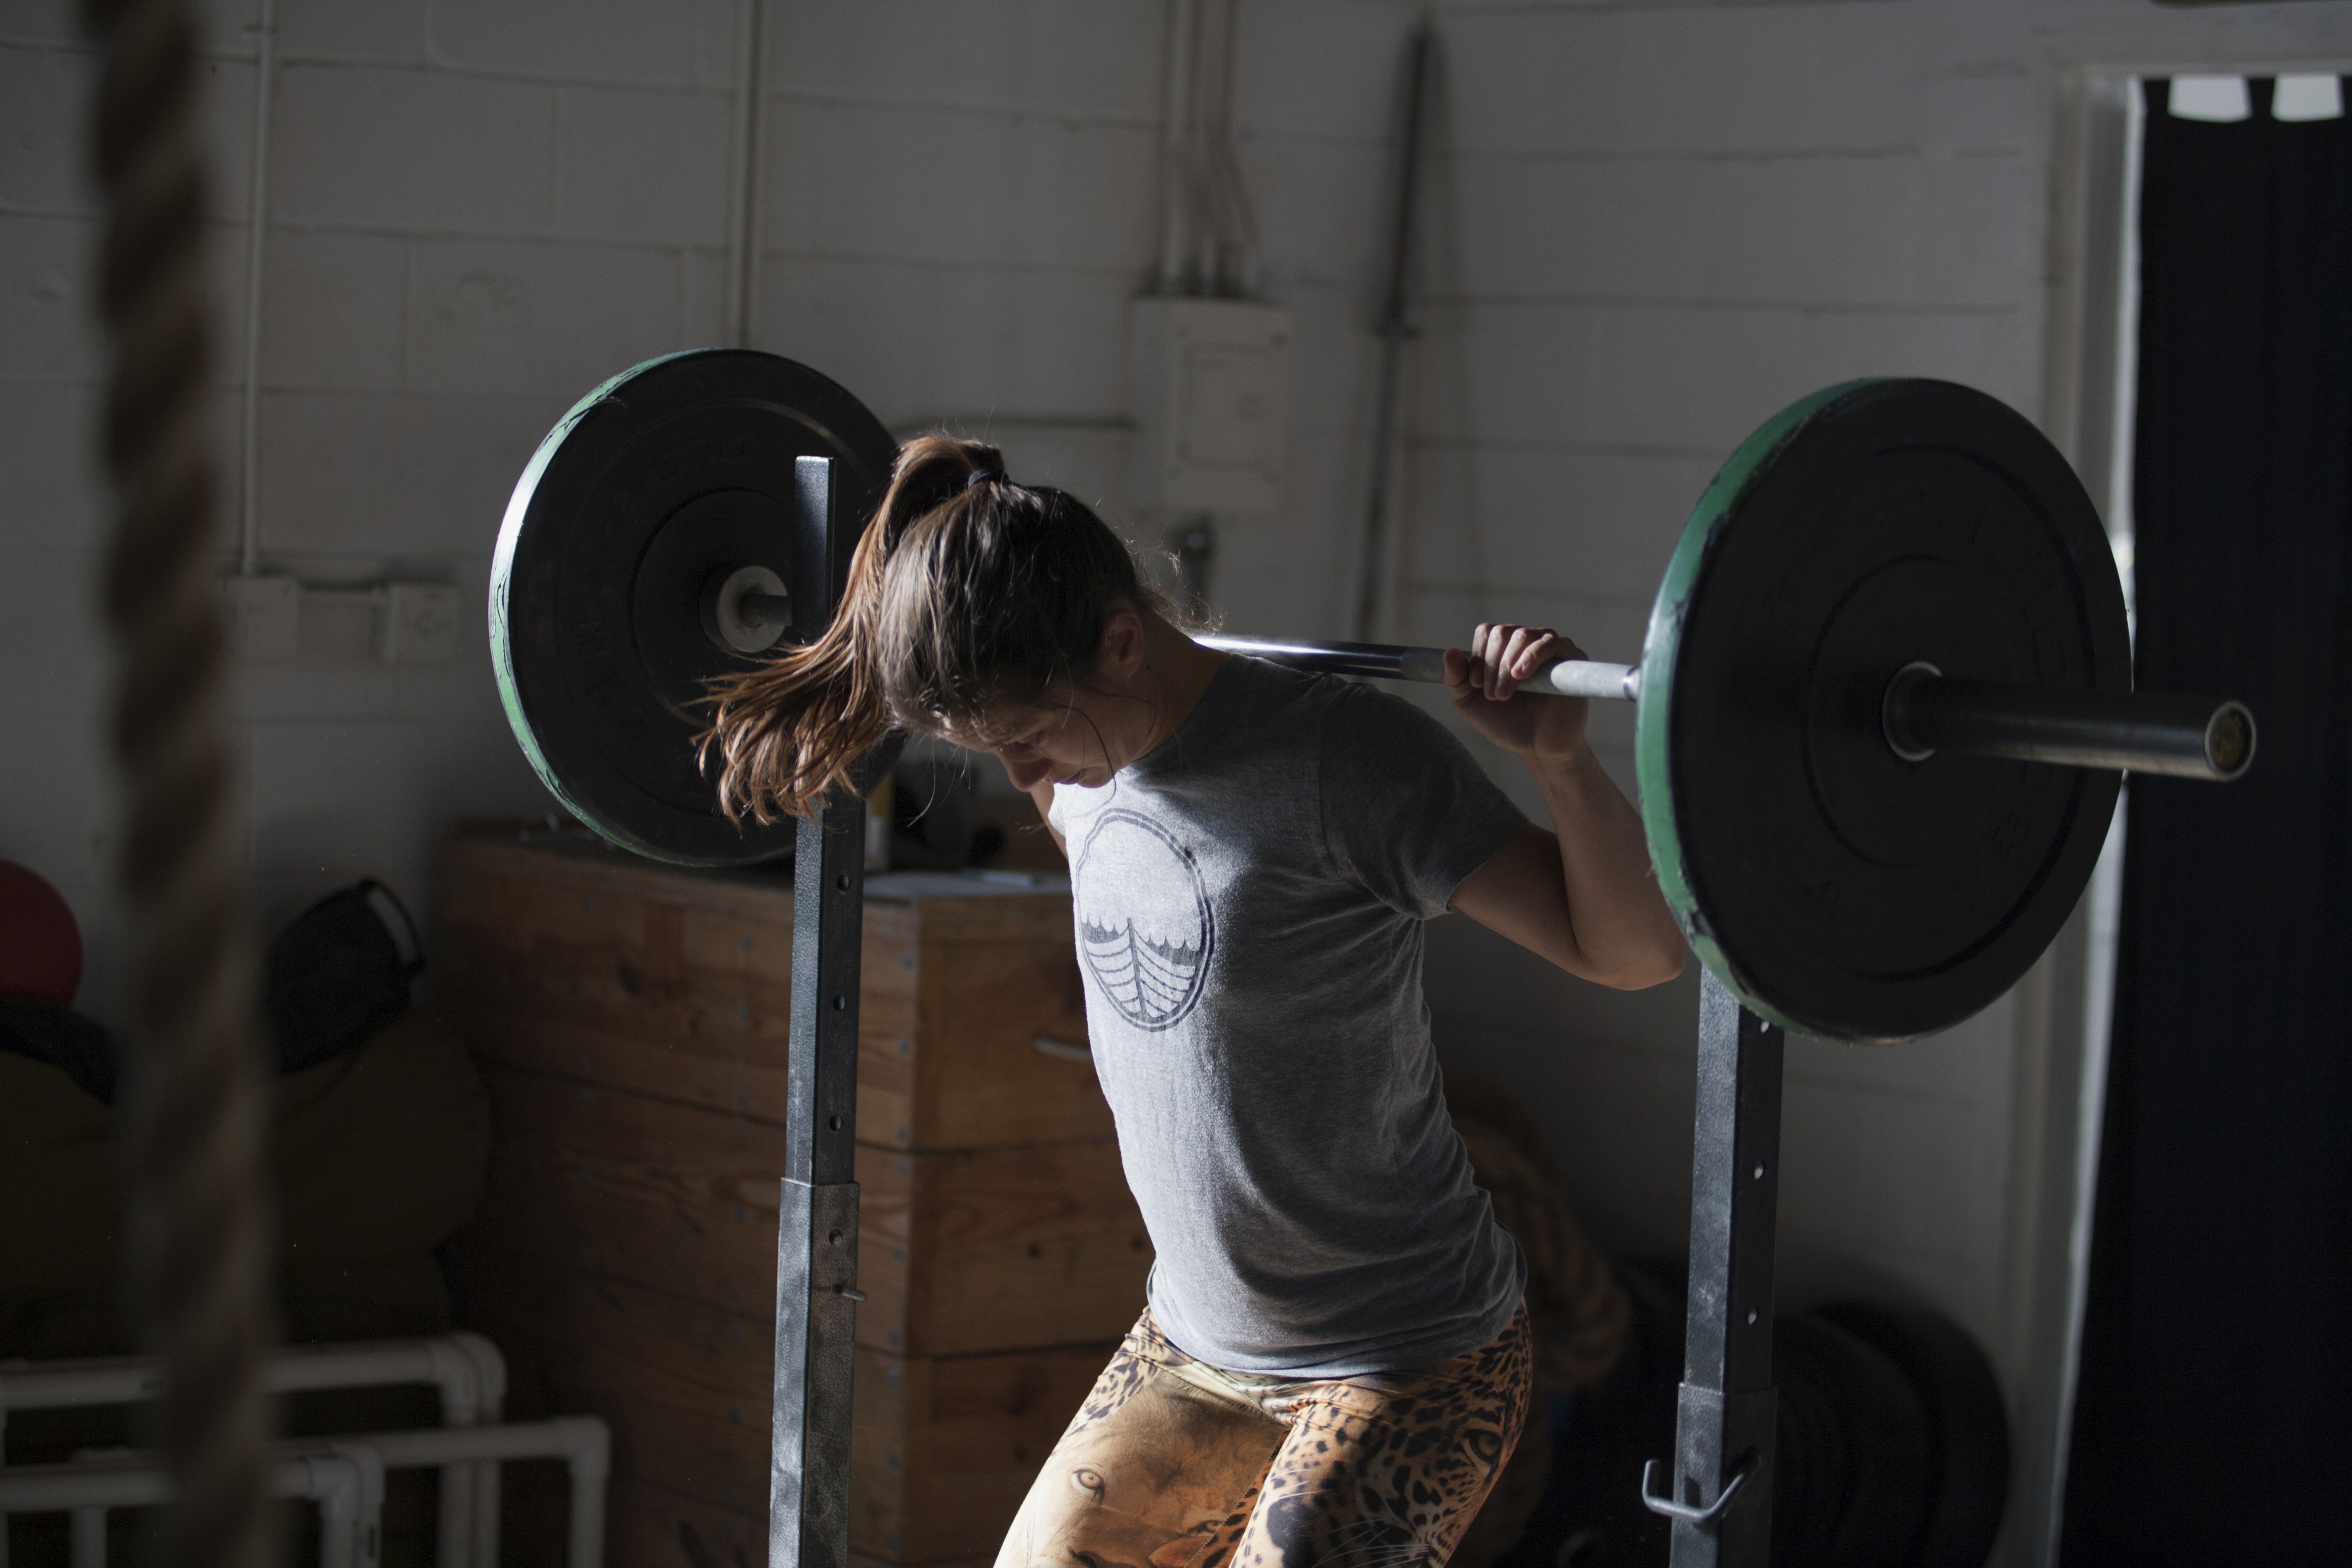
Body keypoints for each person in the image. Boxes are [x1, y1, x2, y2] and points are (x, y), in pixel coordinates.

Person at [705, 437, 1687, 1568]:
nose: (1034, 784)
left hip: (1406, 1356)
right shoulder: (1085, 761)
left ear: (1123, 641)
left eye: (1029, 740)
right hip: (1194, 1348)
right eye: (995, 756)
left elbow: (1636, 955)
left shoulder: (1344, 762)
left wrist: (1559, 759)